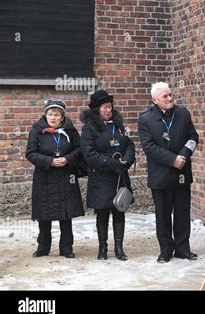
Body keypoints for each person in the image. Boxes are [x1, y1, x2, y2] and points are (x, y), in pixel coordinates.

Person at [138, 82, 199, 263]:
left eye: (170, 94)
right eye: (165, 96)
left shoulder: (183, 114)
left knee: (182, 212)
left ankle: (183, 248)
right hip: (161, 174)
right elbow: (149, 147)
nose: (170, 98)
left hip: (182, 171)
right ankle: (166, 250)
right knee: (163, 214)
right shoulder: (146, 119)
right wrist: (172, 160)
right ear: (155, 99)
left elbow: (193, 137)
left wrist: (184, 155)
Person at [80, 90, 135, 261]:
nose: (108, 110)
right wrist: (112, 164)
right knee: (102, 213)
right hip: (101, 177)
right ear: (96, 109)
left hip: (120, 176)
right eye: (104, 107)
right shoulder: (89, 128)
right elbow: (89, 153)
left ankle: (119, 248)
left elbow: (129, 145)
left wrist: (126, 160)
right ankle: (102, 248)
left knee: (120, 211)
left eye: (110, 107)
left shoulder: (119, 125)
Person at [25, 99, 84, 258]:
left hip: (65, 176)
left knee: (66, 214)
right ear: (45, 115)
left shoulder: (70, 131)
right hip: (45, 177)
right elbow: (30, 153)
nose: (53, 117)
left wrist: (68, 159)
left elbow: (80, 149)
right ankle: (43, 247)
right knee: (44, 215)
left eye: (56, 115)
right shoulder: (37, 130)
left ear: (62, 117)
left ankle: (66, 248)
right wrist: (49, 161)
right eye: (50, 114)